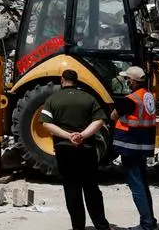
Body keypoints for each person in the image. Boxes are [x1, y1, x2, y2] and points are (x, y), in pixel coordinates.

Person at [40, 69, 112, 230]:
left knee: (72, 189)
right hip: (87, 149)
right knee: (91, 188)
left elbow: (45, 123)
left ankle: (78, 226)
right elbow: (100, 120)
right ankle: (101, 225)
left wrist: (68, 136)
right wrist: (83, 135)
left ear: (62, 80)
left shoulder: (52, 99)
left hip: (64, 150)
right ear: (77, 80)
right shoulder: (89, 98)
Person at [112, 66, 158, 230]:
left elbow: (114, 115)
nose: (126, 81)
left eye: (128, 79)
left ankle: (146, 224)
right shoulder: (149, 96)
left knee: (137, 186)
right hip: (143, 144)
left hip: (130, 145)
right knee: (142, 184)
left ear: (134, 80)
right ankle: (150, 220)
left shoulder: (131, 99)